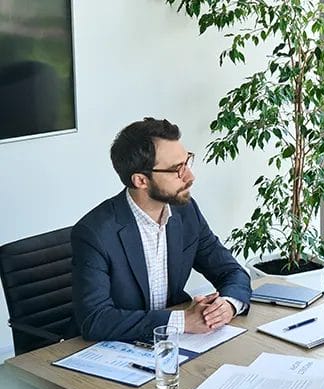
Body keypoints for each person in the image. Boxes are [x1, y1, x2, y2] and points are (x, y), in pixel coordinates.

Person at [71, 117, 252, 342]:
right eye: (177, 169)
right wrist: (181, 321)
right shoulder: (94, 233)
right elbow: (95, 320)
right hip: (119, 352)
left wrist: (227, 305)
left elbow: (231, 272)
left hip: (177, 346)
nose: (189, 176)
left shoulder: (186, 213)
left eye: (187, 163)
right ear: (140, 180)